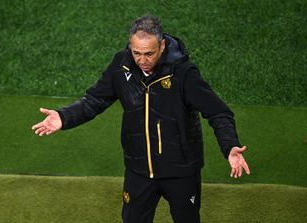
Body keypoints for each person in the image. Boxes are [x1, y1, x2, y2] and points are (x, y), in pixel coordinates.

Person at [32, 15, 250, 223]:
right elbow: (95, 99)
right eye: (136, 53)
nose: (142, 60)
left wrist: (230, 145)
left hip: (181, 170)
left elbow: (218, 112)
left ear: (162, 46)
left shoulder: (183, 73)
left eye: (149, 54)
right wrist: (64, 116)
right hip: (139, 170)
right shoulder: (121, 66)